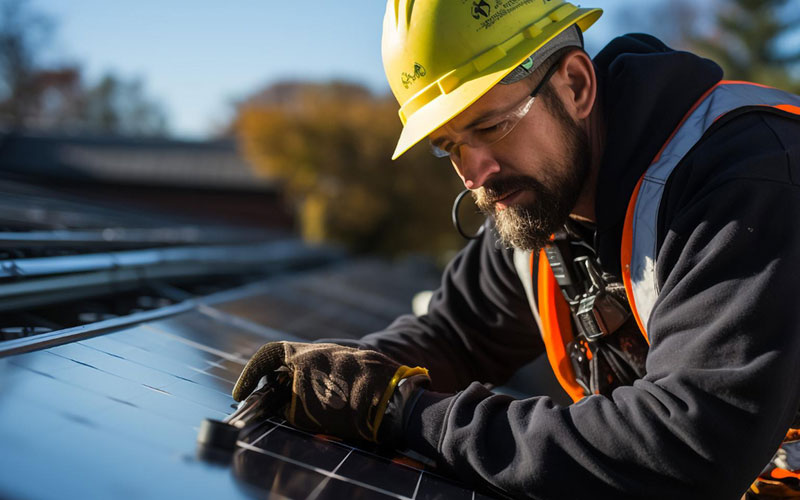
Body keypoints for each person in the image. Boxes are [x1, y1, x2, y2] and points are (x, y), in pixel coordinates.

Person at [232, 1, 800, 498]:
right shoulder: (542, 202)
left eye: (493, 125)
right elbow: (454, 334)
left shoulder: (747, 180)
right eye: (448, 146)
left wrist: (407, 413)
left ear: (576, 86)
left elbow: (690, 452)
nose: (474, 174)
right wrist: (341, 374)